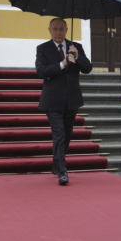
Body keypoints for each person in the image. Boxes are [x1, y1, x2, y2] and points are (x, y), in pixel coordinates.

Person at [36, 18, 93, 185]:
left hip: (71, 100)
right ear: (49, 30)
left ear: (67, 30)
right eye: (55, 29)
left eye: (61, 29)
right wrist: (63, 63)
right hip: (52, 100)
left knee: (67, 135)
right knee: (59, 134)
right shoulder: (43, 49)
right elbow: (41, 71)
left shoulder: (75, 46)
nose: (58, 32)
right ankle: (62, 171)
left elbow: (88, 69)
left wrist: (77, 56)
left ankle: (56, 164)